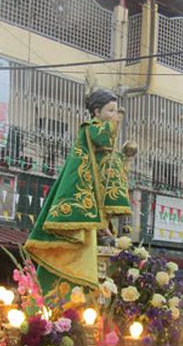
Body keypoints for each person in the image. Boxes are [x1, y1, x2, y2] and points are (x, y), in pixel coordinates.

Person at [24, 89, 132, 293]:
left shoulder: (102, 129)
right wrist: (114, 123)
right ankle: (99, 230)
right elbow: (102, 139)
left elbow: (108, 149)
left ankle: (104, 229)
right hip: (87, 184)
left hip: (98, 183)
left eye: (116, 111)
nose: (115, 115)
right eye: (110, 110)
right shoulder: (90, 127)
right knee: (90, 214)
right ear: (96, 111)